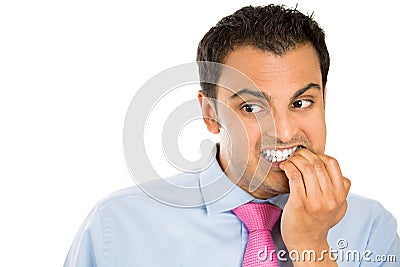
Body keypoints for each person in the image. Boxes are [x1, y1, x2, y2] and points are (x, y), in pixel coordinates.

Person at [64, 4, 400, 267]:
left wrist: (312, 247)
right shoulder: (117, 227)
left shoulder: (372, 229)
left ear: (324, 98)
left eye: (301, 102)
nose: (283, 133)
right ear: (210, 114)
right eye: (252, 108)